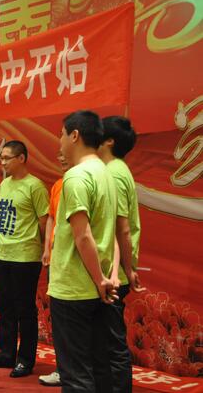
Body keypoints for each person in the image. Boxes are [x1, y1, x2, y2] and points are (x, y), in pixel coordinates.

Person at [48, 110, 118, 392]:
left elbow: (83, 236)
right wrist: (106, 278)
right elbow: (111, 232)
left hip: (74, 287)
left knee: (75, 374)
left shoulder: (76, 177)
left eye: (62, 134)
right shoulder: (106, 173)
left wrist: (100, 279)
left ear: (75, 135)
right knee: (99, 367)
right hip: (98, 286)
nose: (60, 141)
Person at [0, 140, 49, 379]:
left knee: (24, 309)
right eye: (1, 158)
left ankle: (25, 359)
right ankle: (6, 353)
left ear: (21, 158)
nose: (3, 162)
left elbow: (43, 221)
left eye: (7, 158)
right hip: (3, 253)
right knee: (5, 306)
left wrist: (41, 247)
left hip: (26, 257)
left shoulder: (35, 186)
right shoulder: (5, 183)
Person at [97, 115, 142, 392]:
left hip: (112, 274)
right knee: (106, 340)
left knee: (111, 342)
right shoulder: (115, 169)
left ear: (109, 141)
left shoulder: (113, 173)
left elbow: (121, 229)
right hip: (114, 270)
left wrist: (125, 269)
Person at [38, 152, 69, 387]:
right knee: (59, 318)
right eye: (59, 154)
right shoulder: (58, 185)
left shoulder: (83, 182)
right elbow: (50, 218)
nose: (61, 157)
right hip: (56, 259)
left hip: (73, 262)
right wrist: (47, 248)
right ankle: (63, 369)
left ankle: (73, 371)